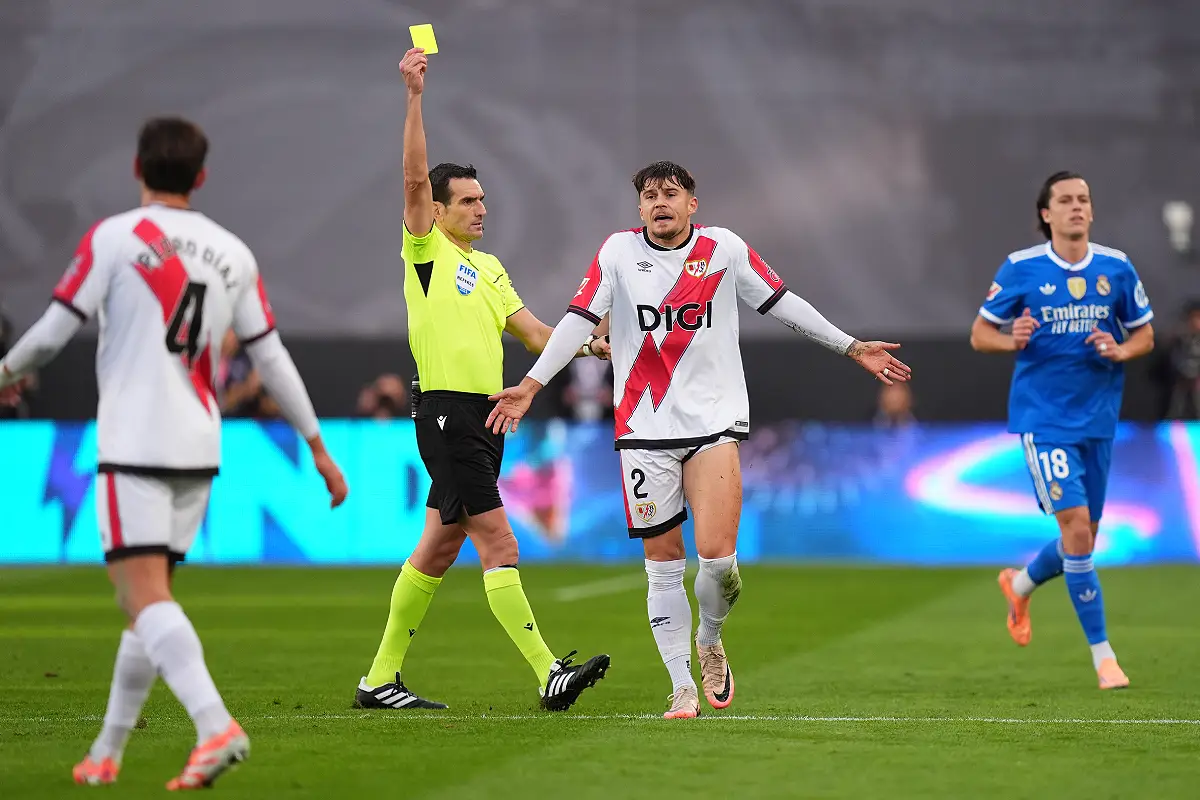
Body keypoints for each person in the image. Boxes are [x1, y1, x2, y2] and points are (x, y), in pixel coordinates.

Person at [487, 161, 910, 718]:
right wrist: (532, 385)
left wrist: (851, 346)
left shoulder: (724, 249)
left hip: (712, 423)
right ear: (639, 209)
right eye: (648, 195)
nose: (659, 201)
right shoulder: (616, 253)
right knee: (662, 564)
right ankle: (680, 685)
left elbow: (782, 302)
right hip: (642, 430)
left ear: (693, 204)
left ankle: (710, 637)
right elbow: (576, 320)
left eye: (671, 193)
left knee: (718, 565)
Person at [0, 116, 348, 789]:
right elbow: (269, 357)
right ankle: (106, 753)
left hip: (134, 437)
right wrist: (317, 446)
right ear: (202, 176)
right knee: (149, 603)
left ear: (137, 169)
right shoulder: (233, 253)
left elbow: (48, 337)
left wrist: (3, 374)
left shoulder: (114, 237)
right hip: (198, 442)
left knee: (142, 595)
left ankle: (215, 725)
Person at [353, 48, 612, 713]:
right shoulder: (427, 253)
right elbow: (413, 177)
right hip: (446, 415)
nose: (479, 209)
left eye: (482, 199)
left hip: (487, 418)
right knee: (500, 542)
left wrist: (594, 342)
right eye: (465, 201)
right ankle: (548, 671)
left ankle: (379, 678)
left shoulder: (489, 269)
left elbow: (532, 333)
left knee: (437, 553)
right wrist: (414, 97)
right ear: (435, 211)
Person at [971, 171, 1155, 690]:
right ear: (1046, 214)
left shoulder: (1115, 268)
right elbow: (981, 334)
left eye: (1084, 200)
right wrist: (1013, 339)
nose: (1077, 207)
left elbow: (1145, 335)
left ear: (1090, 212)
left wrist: (1120, 349)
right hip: (1044, 419)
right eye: (1065, 201)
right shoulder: (1022, 268)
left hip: (1098, 419)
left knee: (1085, 539)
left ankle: (1021, 583)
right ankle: (1104, 659)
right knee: (1075, 527)